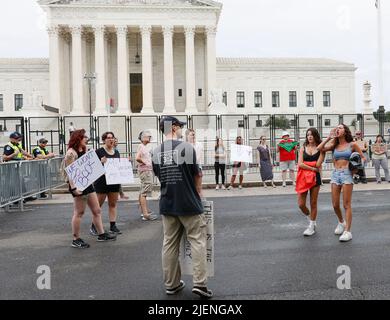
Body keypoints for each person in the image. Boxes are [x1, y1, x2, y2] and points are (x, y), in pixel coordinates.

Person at [152, 115, 213, 299]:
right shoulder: (187, 148)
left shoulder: (156, 151)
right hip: (188, 202)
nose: (181, 130)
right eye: (179, 127)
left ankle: (171, 284)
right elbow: (197, 174)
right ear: (174, 127)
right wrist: (198, 193)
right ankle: (200, 283)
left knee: (169, 244)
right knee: (197, 240)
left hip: (167, 201)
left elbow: (160, 176)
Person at [64, 129, 116, 248]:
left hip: (87, 184)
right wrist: (73, 189)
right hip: (78, 185)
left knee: (97, 210)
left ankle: (101, 234)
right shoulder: (71, 153)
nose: (86, 139)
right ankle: (75, 239)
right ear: (78, 139)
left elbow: (89, 166)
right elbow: (70, 173)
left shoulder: (85, 149)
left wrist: (100, 163)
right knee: (79, 212)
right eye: (84, 137)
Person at [317, 124, 366, 242]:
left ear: (345, 131)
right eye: (337, 128)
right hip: (335, 174)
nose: (338, 129)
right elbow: (319, 149)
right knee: (334, 204)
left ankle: (348, 231)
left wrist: (356, 167)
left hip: (347, 174)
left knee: (346, 204)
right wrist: (329, 137)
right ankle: (341, 222)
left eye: (340, 128)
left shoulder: (352, 144)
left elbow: (363, 158)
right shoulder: (334, 145)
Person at [90, 132, 122, 236]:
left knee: (113, 204)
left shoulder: (116, 152)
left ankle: (113, 225)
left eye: (112, 137)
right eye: (108, 138)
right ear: (104, 140)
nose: (111, 139)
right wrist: (100, 161)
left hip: (114, 182)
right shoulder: (99, 151)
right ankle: (93, 226)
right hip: (101, 182)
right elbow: (91, 168)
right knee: (98, 207)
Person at [296, 128, 325, 236]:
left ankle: (312, 225)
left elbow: (318, 164)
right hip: (303, 177)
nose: (310, 136)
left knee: (313, 203)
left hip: (315, 178)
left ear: (315, 136)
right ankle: (310, 218)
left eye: (312, 134)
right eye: (308, 135)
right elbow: (300, 164)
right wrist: (312, 168)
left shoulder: (320, 149)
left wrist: (311, 166)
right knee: (301, 204)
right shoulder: (303, 148)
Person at [136, 130, 157, 221]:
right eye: (148, 136)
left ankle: (143, 211)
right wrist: (145, 163)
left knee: (142, 190)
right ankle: (145, 214)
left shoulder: (144, 146)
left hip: (145, 170)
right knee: (144, 191)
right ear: (143, 138)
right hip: (145, 171)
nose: (150, 138)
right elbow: (137, 158)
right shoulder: (141, 146)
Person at [186, 129, 204, 197]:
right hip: (188, 168)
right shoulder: (184, 145)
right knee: (189, 187)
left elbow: (198, 157)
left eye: (194, 134)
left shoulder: (199, 144)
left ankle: (200, 203)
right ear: (187, 136)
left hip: (197, 167)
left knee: (198, 188)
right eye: (191, 135)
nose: (193, 136)